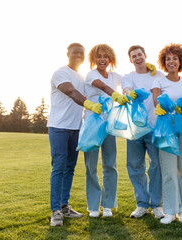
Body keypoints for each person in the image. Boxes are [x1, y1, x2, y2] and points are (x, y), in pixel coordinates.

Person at [47, 43, 102, 227]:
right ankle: (55, 211)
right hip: (59, 127)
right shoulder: (61, 73)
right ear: (67, 54)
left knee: (70, 167)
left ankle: (64, 206)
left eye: (81, 53)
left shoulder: (82, 76)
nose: (78, 55)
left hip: (76, 128)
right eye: (75, 53)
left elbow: (94, 91)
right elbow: (71, 91)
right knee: (59, 166)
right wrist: (89, 105)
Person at [83, 43, 129, 218]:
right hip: (92, 125)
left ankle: (108, 205)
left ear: (111, 59)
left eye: (105, 56)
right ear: (94, 59)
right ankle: (93, 206)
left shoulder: (115, 75)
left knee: (110, 165)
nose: (102, 59)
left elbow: (127, 82)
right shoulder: (91, 75)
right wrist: (115, 95)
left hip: (108, 126)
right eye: (99, 56)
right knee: (91, 166)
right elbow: (102, 86)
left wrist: (126, 90)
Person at [121, 45, 165, 219]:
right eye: (134, 56)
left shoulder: (158, 75)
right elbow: (126, 89)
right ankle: (141, 204)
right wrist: (130, 93)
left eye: (140, 54)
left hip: (155, 127)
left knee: (156, 166)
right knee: (135, 166)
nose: (138, 58)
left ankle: (156, 205)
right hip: (135, 129)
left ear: (145, 55)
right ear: (130, 59)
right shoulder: (128, 77)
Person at [151, 43, 182, 224]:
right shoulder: (159, 80)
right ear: (164, 62)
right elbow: (156, 100)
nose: (171, 62)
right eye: (168, 59)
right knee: (168, 171)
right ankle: (169, 211)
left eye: (175, 58)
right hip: (166, 128)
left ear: (180, 61)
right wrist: (162, 107)